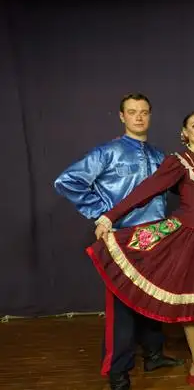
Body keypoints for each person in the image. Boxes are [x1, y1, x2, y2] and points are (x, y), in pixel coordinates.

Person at [89, 111, 194, 387]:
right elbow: (147, 190)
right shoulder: (178, 162)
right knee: (191, 298)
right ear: (185, 133)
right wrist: (110, 216)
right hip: (188, 236)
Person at [54, 93, 183, 390]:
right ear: (122, 116)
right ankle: (118, 371)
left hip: (155, 239)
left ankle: (153, 354)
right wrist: (103, 215)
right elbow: (67, 181)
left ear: (150, 115)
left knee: (153, 297)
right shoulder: (107, 152)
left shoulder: (159, 155)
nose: (139, 117)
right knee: (122, 309)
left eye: (144, 112)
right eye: (132, 112)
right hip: (121, 239)